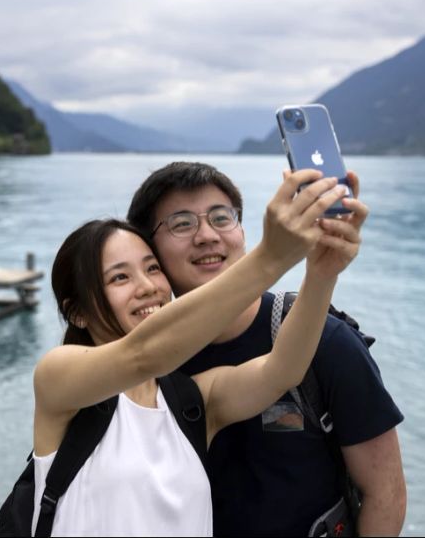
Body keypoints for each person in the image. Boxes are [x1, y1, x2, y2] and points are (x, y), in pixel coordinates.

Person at [28, 170, 362, 536]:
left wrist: (320, 272)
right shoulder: (58, 380)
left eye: (153, 269)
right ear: (75, 311)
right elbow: (143, 355)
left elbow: (282, 370)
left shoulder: (189, 402)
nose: (147, 287)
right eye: (119, 278)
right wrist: (272, 257)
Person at [127, 162, 406, 537]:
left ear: (242, 230)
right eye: (181, 223)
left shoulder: (326, 342)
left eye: (221, 218)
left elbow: (385, 492)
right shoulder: (144, 361)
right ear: (150, 250)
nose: (207, 235)